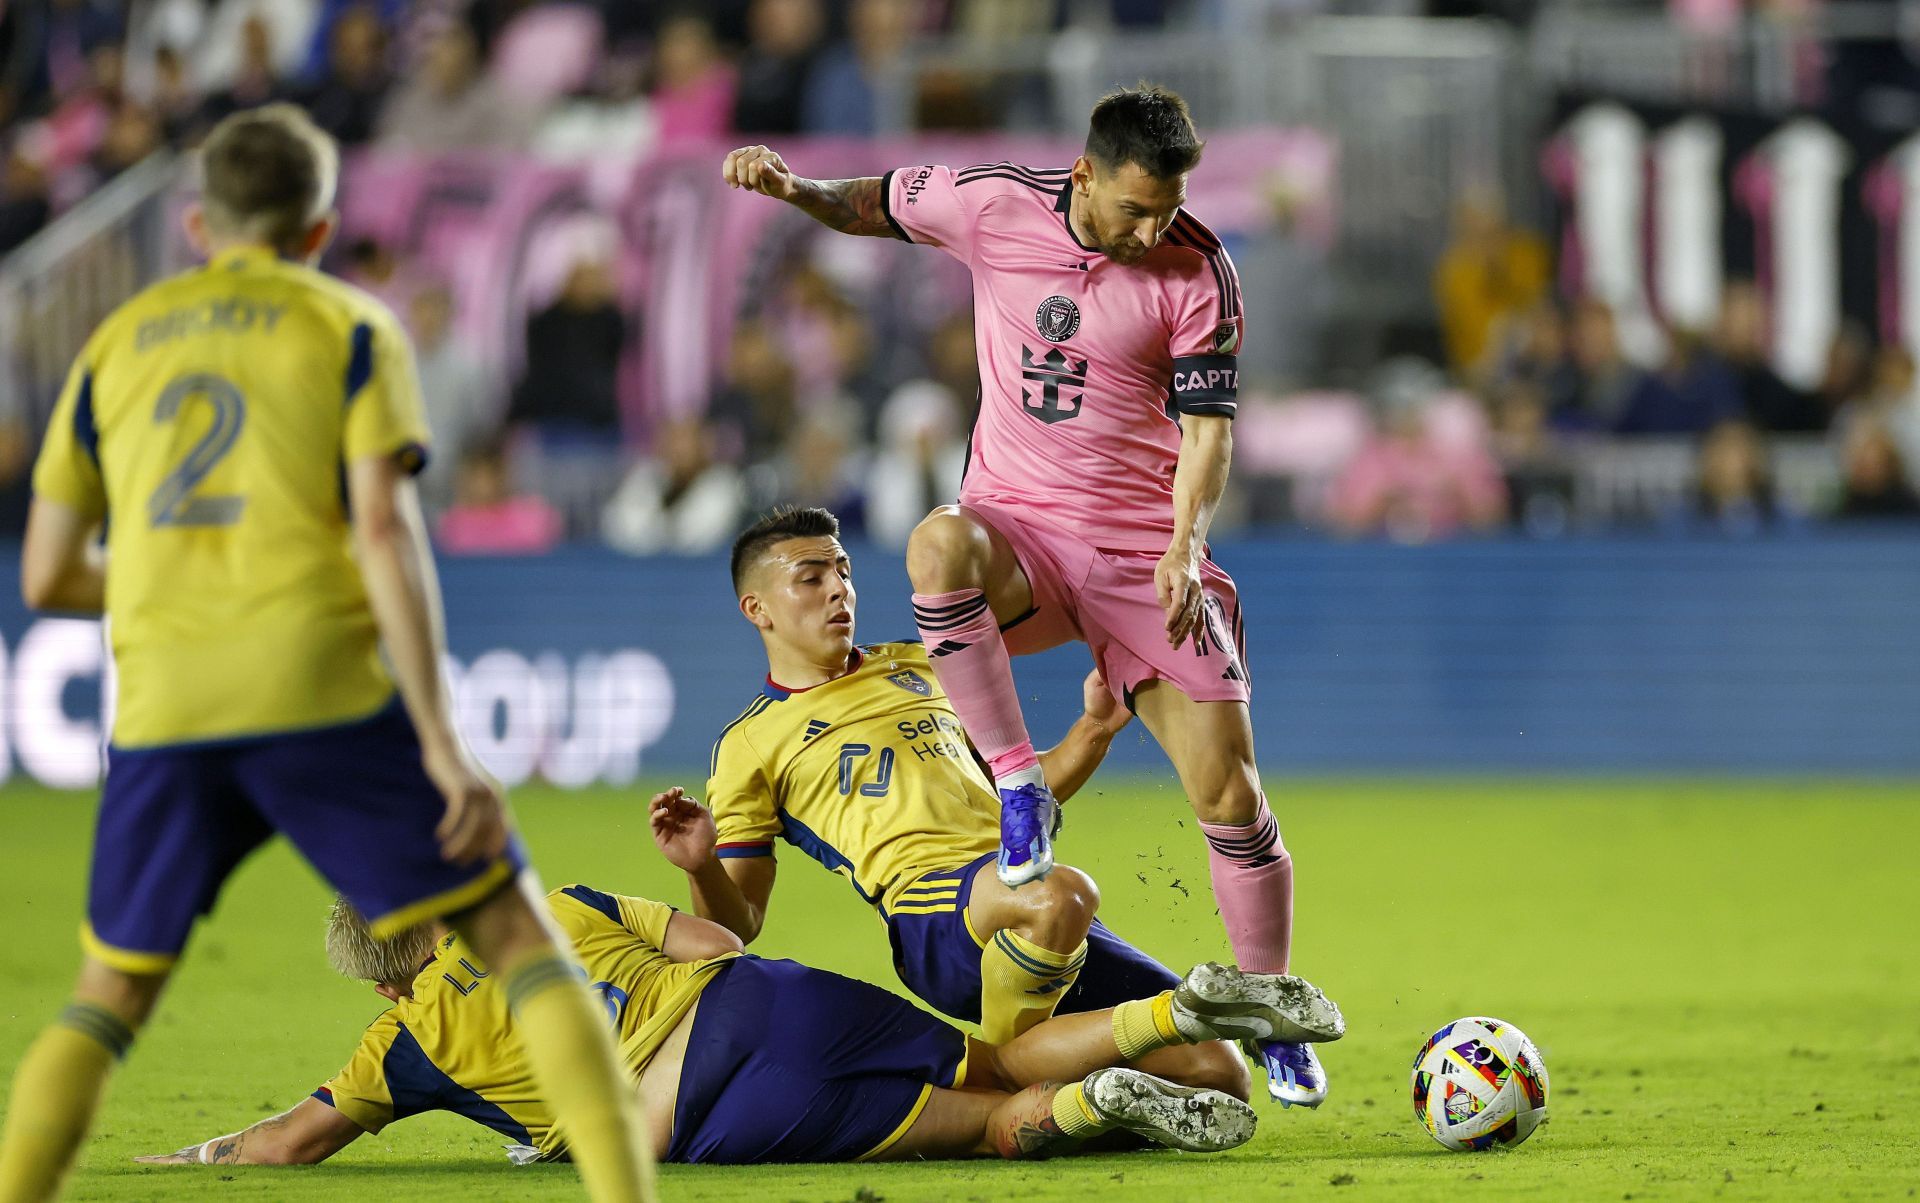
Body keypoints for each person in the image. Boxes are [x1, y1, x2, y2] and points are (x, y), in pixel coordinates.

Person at [0, 106, 655, 1203]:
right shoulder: (350, 326)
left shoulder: (115, 342)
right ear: (319, 230)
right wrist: (444, 747)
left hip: (167, 700)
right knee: (523, 945)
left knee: (104, 997)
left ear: (202, 225)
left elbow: (47, 577)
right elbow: (387, 535)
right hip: (314, 680)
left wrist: (181, 579)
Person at [720, 84, 1332, 1106]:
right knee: (934, 546)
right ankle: (1017, 787)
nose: (1152, 229)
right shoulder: (990, 200)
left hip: (1146, 558)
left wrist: (1186, 546)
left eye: (1168, 206)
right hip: (1025, 540)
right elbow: (868, 202)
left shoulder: (1199, 267)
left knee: (1231, 797)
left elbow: (1210, 432)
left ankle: (1266, 1003)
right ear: (1085, 173)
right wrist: (794, 188)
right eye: (1136, 207)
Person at [652, 507, 1327, 1094]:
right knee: (1063, 892)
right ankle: (1008, 1082)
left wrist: (1092, 728)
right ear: (758, 608)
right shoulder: (750, 742)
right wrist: (701, 862)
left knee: (1218, 1073)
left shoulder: (921, 663)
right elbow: (736, 923)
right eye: (812, 577)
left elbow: (1020, 798)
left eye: (844, 571)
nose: (839, 591)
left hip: (1018, 889)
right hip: (934, 916)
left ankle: (1063, 1097)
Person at [132, 884, 1338, 1167]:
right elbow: (717, 941)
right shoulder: (544, 903)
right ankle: (1171, 1009)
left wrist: (193, 1156)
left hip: (711, 1107)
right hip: (761, 998)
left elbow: (290, 1142)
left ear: (386, 980)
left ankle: (1090, 1114)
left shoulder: (397, 1048)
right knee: (1007, 1052)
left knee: (995, 1125)